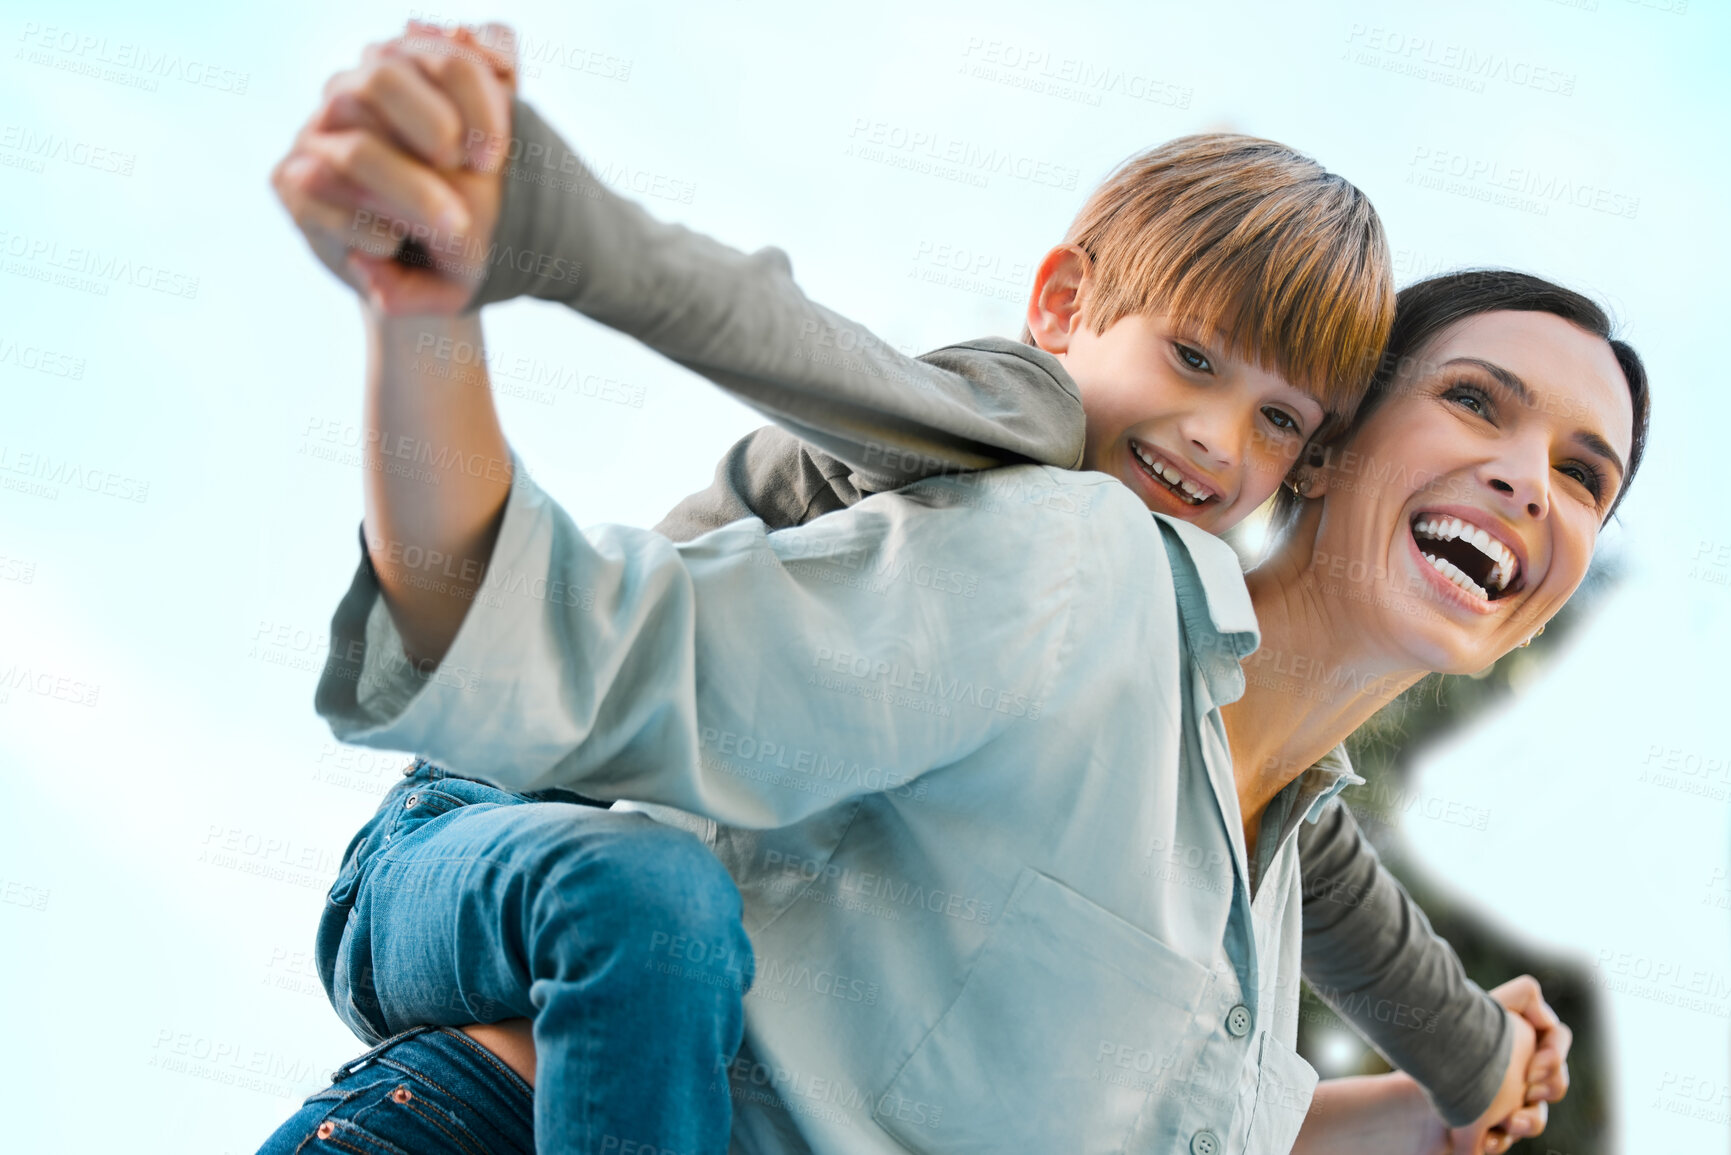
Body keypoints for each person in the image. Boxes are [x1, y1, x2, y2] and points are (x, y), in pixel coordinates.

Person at [258, 22, 1622, 1155]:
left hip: (593, 955)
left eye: (1584, 473)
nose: (1218, 441)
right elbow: (784, 351)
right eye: (1472, 403)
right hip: (502, 856)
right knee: (643, 898)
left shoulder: (1249, 875)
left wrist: (1472, 1076)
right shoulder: (1040, 488)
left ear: (1305, 446)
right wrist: (528, 230)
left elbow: (1159, 1089)